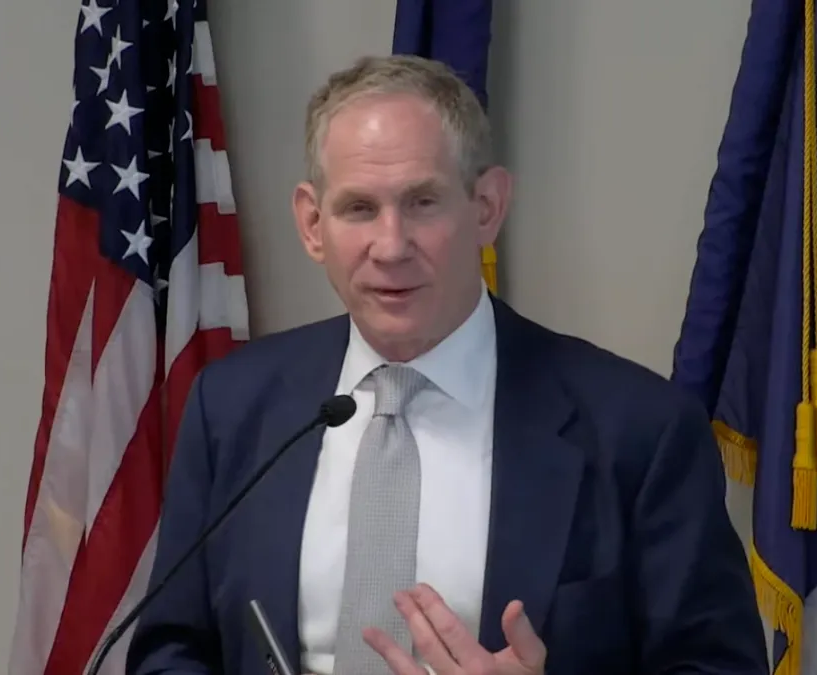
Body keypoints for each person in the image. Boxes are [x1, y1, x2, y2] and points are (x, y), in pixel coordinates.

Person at [125, 54, 768, 675]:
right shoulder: (233, 405)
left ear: (486, 207)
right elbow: (172, 649)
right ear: (313, 223)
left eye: (423, 203)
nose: (391, 246)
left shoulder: (640, 429)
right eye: (358, 208)